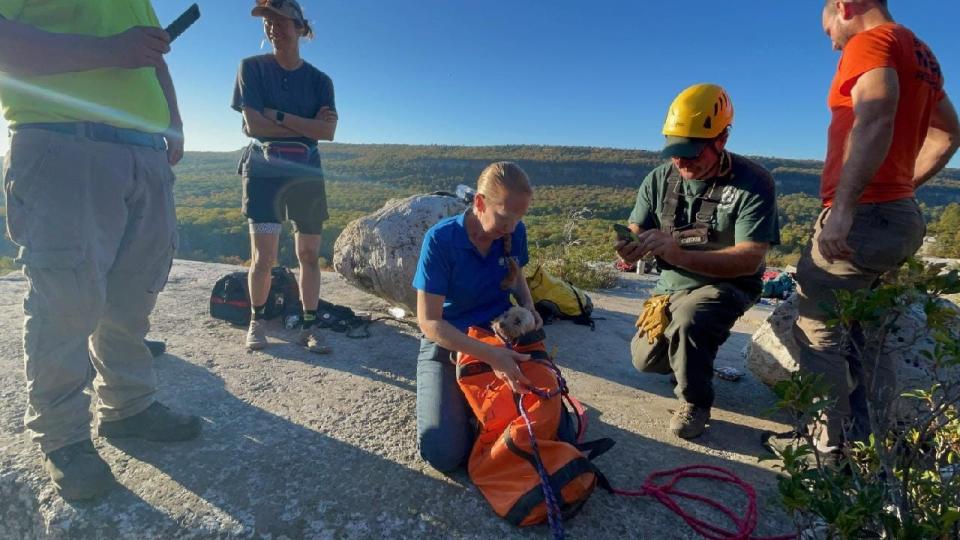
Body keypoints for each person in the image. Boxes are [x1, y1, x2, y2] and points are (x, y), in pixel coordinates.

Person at [0, 1, 200, 501]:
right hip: (63, 141)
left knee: (133, 295)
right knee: (66, 301)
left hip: (144, 151)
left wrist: (172, 119)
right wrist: (111, 50)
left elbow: (155, 56)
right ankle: (62, 437)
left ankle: (128, 406)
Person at [787, 0, 960, 457]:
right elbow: (950, 132)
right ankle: (872, 449)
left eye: (827, 28)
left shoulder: (871, 41)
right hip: (897, 218)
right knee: (870, 338)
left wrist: (845, 208)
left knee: (819, 337)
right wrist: (902, 186)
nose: (830, 41)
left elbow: (877, 114)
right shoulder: (920, 53)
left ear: (845, 6)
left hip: (862, 218)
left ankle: (823, 453)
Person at [616, 84, 781, 439]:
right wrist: (631, 244)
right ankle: (689, 356)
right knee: (645, 361)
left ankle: (695, 401)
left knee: (692, 320)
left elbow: (749, 260)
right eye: (675, 152)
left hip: (728, 284)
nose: (682, 161)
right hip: (671, 286)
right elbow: (637, 224)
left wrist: (676, 252)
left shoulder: (753, 183)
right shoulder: (660, 178)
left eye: (691, 152)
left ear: (721, 139)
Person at [413, 162, 551, 471]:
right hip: (451, 341)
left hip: (501, 336)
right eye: (504, 218)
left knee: (546, 428)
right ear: (479, 203)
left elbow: (516, 274)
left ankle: (473, 409)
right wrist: (491, 356)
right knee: (443, 453)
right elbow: (429, 321)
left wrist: (528, 307)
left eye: (519, 219)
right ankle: (453, 399)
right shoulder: (441, 240)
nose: (512, 228)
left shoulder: (515, 232)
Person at [231, 0, 338, 353]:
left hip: (305, 174)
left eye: (282, 20)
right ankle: (256, 322)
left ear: (300, 27)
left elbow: (327, 132)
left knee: (308, 254)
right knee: (264, 257)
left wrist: (276, 114)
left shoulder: (320, 81)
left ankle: (310, 326)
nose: (273, 26)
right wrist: (304, 124)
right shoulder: (251, 68)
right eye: (268, 21)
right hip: (263, 174)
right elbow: (252, 125)